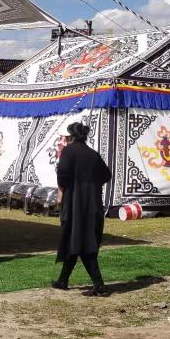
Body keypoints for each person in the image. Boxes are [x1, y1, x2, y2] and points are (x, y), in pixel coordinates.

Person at [52, 122, 111, 296]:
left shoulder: (69, 151)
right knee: (75, 239)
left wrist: (70, 187)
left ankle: (99, 284)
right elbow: (106, 175)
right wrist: (90, 184)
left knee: (82, 241)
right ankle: (63, 280)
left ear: (70, 136)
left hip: (75, 203)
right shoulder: (93, 154)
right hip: (92, 203)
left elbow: (62, 175)